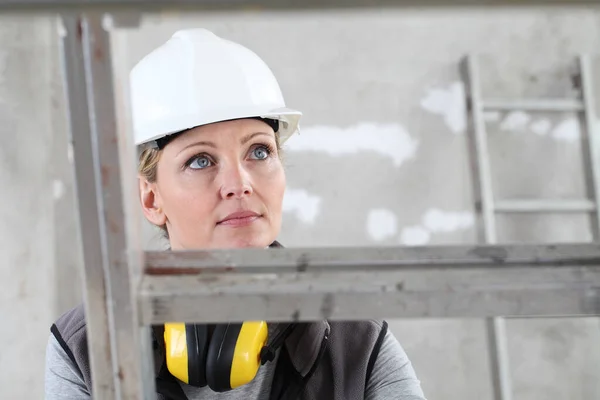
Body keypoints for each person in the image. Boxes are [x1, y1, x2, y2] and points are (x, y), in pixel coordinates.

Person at [45, 28, 426, 400]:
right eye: (200, 160)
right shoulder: (88, 347)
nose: (239, 183)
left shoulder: (356, 341)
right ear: (150, 199)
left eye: (259, 152)